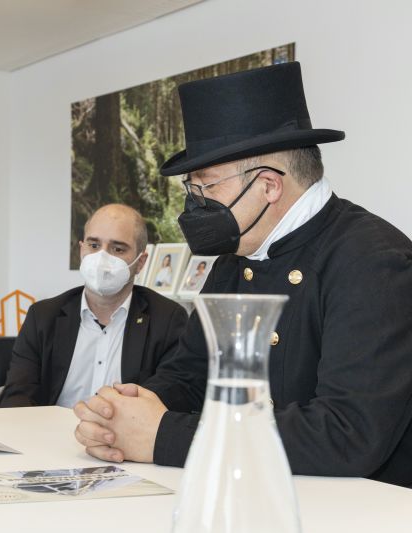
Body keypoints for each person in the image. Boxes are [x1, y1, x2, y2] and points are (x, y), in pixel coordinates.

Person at [73, 62, 412, 488]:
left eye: (207, 187)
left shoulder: (372, 260)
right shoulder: (233, 262)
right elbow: (192, 373)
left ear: (269, 185)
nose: (195, 204)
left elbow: (348, 433)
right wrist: (127, 411)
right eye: (192, 189)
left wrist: (164, 436)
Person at [0, 204, 187, 408]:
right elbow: (16, 397)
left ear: (140, 262)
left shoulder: (167, 320)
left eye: (118, 249)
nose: (102, 258)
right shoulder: (43, 316)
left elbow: (170, 397)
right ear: (82, 249)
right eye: (94, 245)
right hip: (51, 427)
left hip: (124, 428)